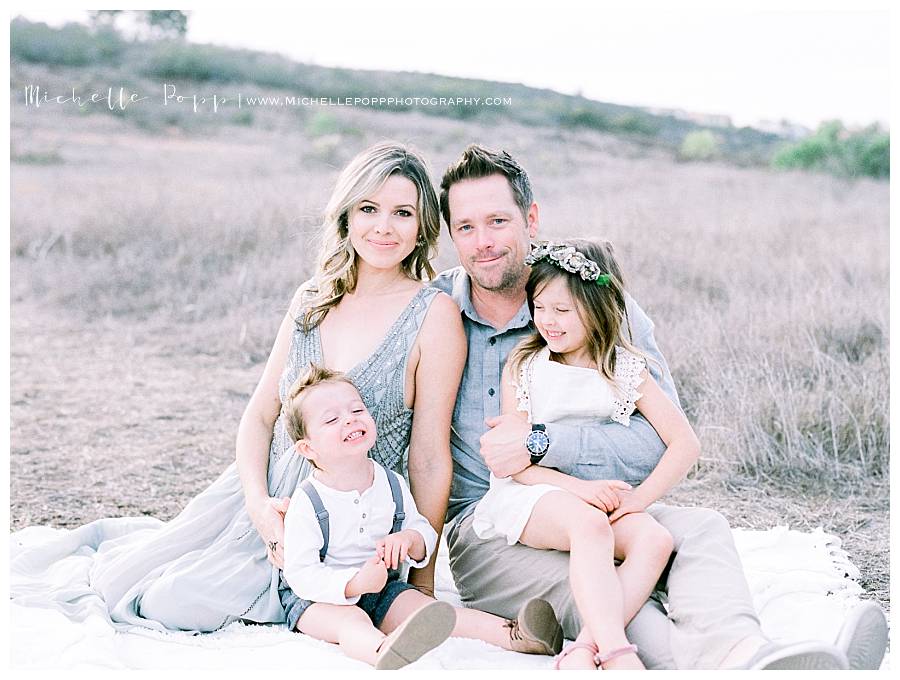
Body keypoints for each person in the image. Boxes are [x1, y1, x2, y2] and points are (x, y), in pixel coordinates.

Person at [11, 142, 567, 651]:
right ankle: (293, 595)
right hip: (266, 501)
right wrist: (258, 504)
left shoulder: (433, 314)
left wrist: (419, 580)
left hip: (351, 517)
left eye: (403, 213)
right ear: (346, 216)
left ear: (422, 226)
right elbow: (259, 416)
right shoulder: (312, 301)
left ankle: (338, 605)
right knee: (156, 596)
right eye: (369, 209)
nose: (384, 228)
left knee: (199, 600)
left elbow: (427, 452)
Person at [430, 143, 887, 670]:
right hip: (494, 529)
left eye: (497, 221)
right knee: (609, 593)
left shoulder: (600, 306)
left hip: (603, 506)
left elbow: (658, 441)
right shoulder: (439, 313)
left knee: (700, 531)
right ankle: (744, 666)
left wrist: (543, 443)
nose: (482, 242)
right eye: (465, 227)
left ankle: (751, 654)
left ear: (530, 219)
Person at [471, 238, 699, 670]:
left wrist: (637, 501)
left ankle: (587, 646)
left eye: (562, 311)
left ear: (596, 308)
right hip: (533, 492)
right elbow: (514, 465)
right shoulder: (525, 365)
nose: (548, 322)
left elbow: (685, 444)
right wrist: (578, 488)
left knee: (655, 538)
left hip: (595, 495)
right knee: (591, 524)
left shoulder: (623, 368)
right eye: (539, 308)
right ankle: (617, 653)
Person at [279, 364, 563, 667]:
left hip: (383, 590)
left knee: (429, 610)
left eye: (357, 410)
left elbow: (422, 531)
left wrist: (410, 540)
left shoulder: (391, 484)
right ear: (308, 448)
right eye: (333, 419)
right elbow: (301, 575)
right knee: (352, 621)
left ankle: (516, 634)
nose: (350, 420)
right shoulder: (308, 501)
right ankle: (382, 651)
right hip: (318, 601)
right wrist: (354, 584)